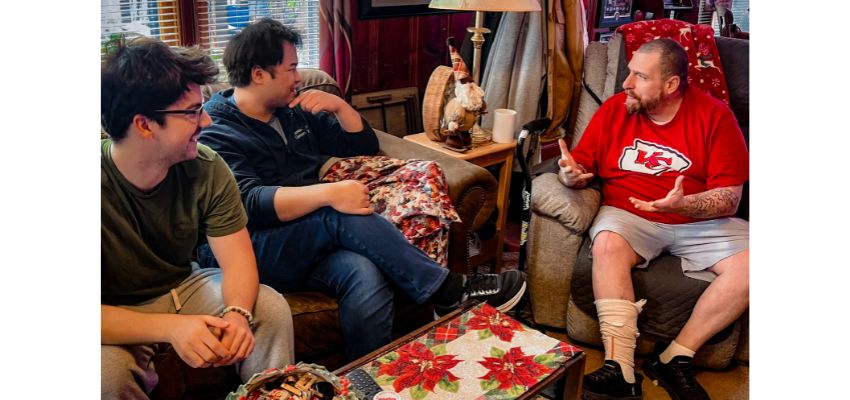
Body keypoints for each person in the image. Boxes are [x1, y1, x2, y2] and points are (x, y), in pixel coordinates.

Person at [197, 18, 527, 361]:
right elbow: (247, 202)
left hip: (303, 239)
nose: (298, 77)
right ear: (259, 74)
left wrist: (340, 107)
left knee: (362, 271)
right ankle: (449, 289)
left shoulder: (292, 111)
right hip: (249, 249)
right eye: (291, 68)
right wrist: (328, 194)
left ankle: (367, 378)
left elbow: (363, 145)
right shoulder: (217, 128)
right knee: (334, 212)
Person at [101, 37, 294, 399]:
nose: (206, 120)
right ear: (144, 125)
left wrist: (236, 314)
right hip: (111, 306)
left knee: (268, 306)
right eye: (192, 112)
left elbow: (238, 262)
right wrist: (172, 328)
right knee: (105, 376)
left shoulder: (206, 166)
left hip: (182, 285)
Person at [557, 38, 748, 400]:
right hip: (630, 213)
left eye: (640, 76)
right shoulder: (616, 109)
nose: (626, 83)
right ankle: (621, 370)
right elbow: (580, 166)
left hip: (697, 220)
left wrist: (683, 204)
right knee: (608, 242)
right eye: (628, 71)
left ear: (671, 84)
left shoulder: (715, 116)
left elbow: (729, 198)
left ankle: (676, 357)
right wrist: (570, 175)